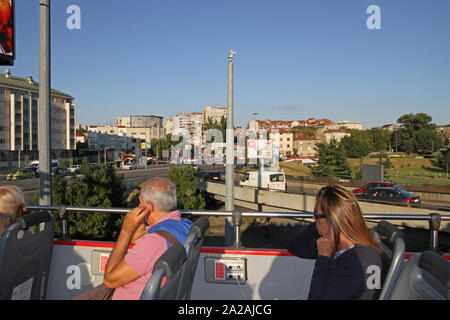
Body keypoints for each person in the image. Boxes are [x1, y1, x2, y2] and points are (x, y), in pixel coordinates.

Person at [101, 177, 193, 300]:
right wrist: (142, 230)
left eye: (140, 203)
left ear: (148, 206)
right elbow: (151, 252)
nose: (139, 206)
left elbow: (109, 280)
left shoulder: (153, 242)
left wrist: (125, 231)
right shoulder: (184, 225)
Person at [286, 184, 382, 300]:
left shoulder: (360, 258)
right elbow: (295, 246)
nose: (313, 218)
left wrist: (323, 259)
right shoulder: (338, 246)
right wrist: (321, 224)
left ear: (333, 218)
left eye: (316, 214)